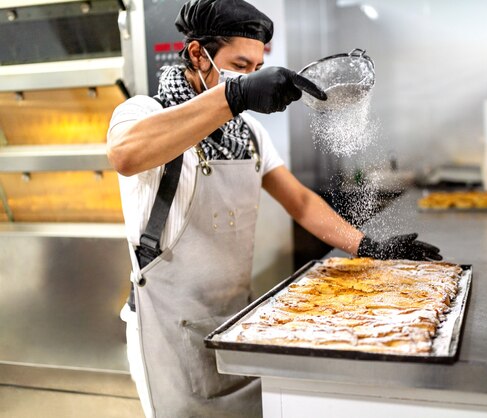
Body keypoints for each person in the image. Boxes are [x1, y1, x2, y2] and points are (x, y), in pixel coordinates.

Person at [106, 0, 442, 416]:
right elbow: (125, 154)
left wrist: (367, 246)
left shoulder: (248, 133)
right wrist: (235, 95)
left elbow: (299, 201)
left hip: (237, 320)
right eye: (239, 65)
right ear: (198, 54)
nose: (248, 77)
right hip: (170, 327)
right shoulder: (144, 113)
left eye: (255, 69)